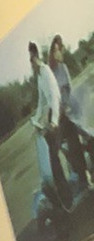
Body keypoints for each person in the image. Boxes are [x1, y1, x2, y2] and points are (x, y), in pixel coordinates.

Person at [49, 35, 94, 190]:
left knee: (87, 136)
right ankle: (83, 177)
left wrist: (65, 105)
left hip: (70, 109)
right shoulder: (50, 73)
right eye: (55, 50)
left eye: (60, 49)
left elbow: (68, 88)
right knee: (72, 146)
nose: (58, 52)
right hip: (62, 115)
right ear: (51, 53)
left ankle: (87, 173)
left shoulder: (63, 68)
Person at [31, 40, 71, 213]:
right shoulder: (39, 76)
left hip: (59, 113)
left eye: (32, 59)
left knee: (54, 155)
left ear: (36, 57)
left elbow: (54, 96)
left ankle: (65, 196)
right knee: (50, 155)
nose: (31, 63)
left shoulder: (46, 71)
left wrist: (54, 121)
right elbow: (42, 101)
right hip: (51, 115)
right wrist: (35, 119)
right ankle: (60, 192)